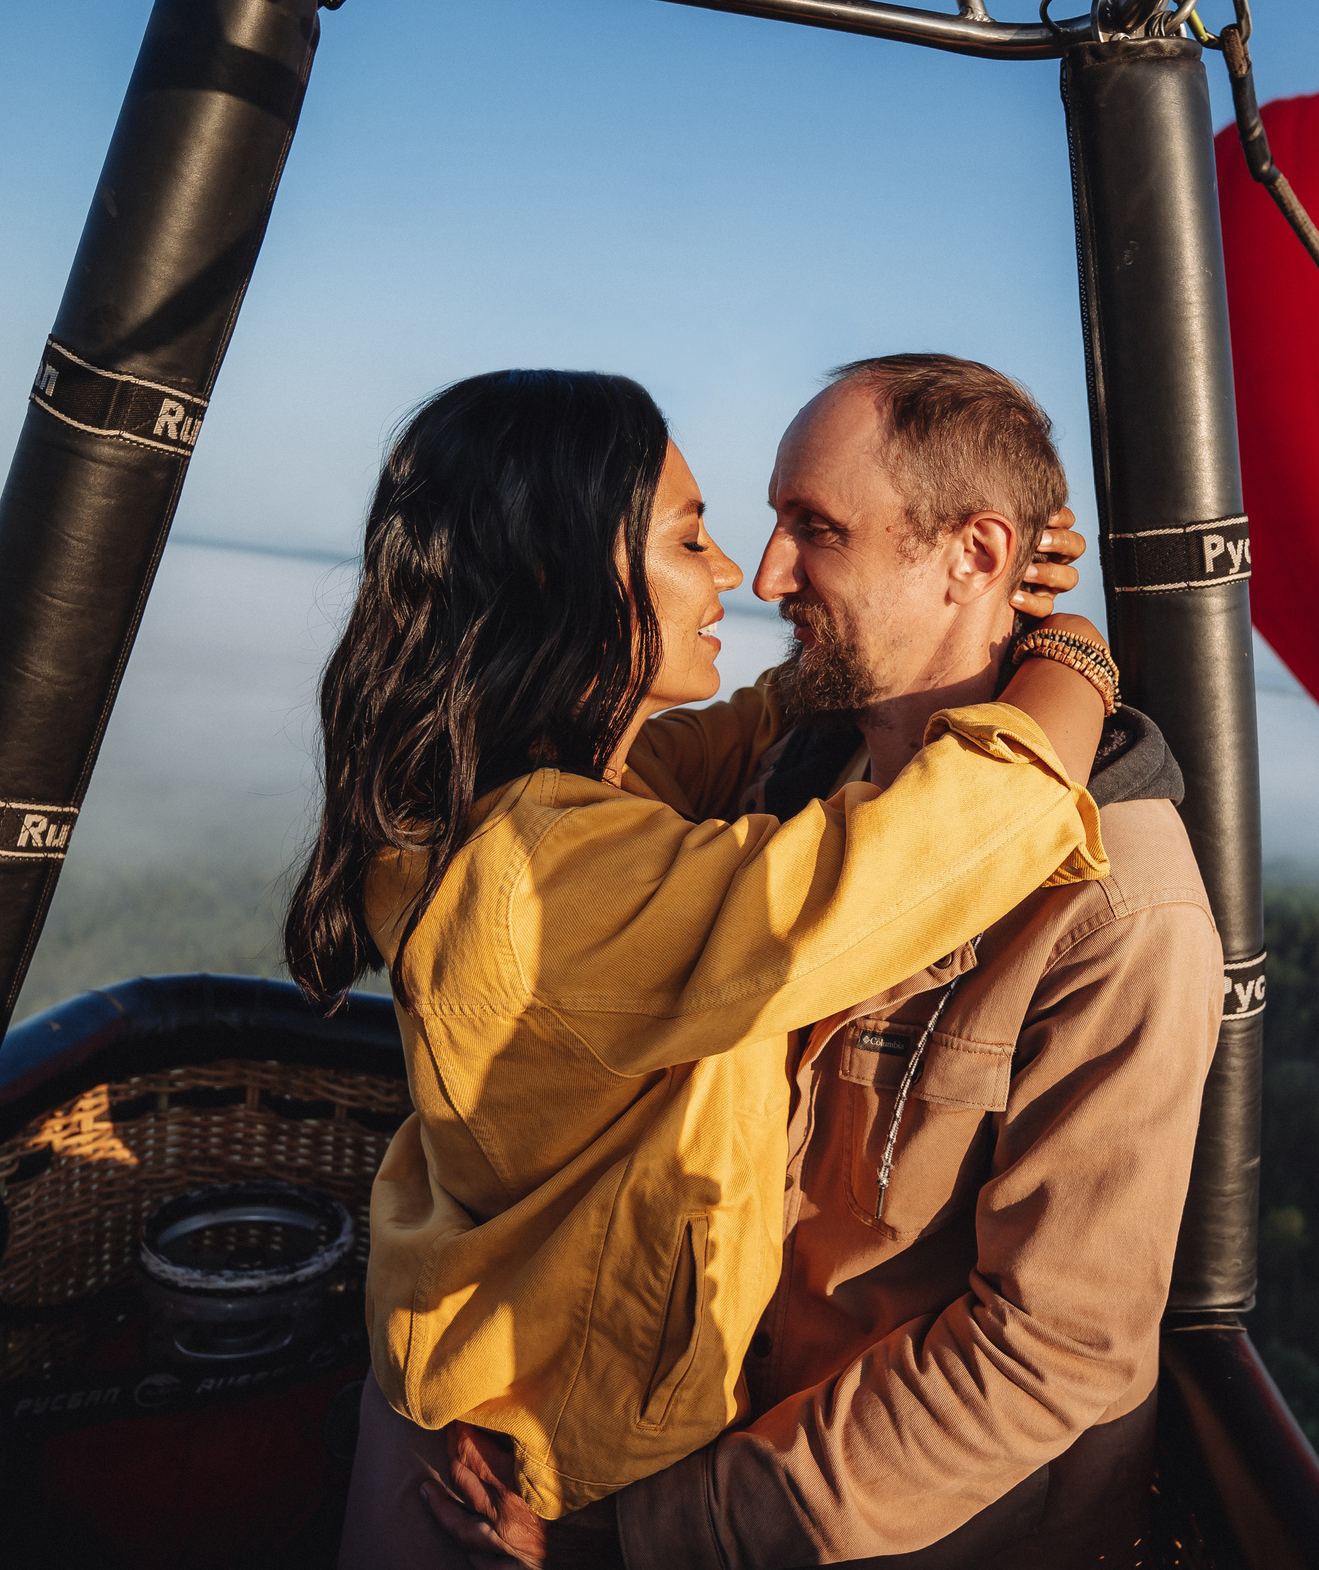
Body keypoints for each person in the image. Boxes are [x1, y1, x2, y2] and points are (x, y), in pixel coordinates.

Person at [293, 369, 1126, 1557]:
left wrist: (892, 628)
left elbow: (721, 738)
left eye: (810, 532)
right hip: (526, 1485)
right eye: (691, 539)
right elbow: (916, 856)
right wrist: (1074, 658)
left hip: (477, 1401)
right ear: (566, 578)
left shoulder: (505, 805)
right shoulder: (552, 883)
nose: (744, 573)